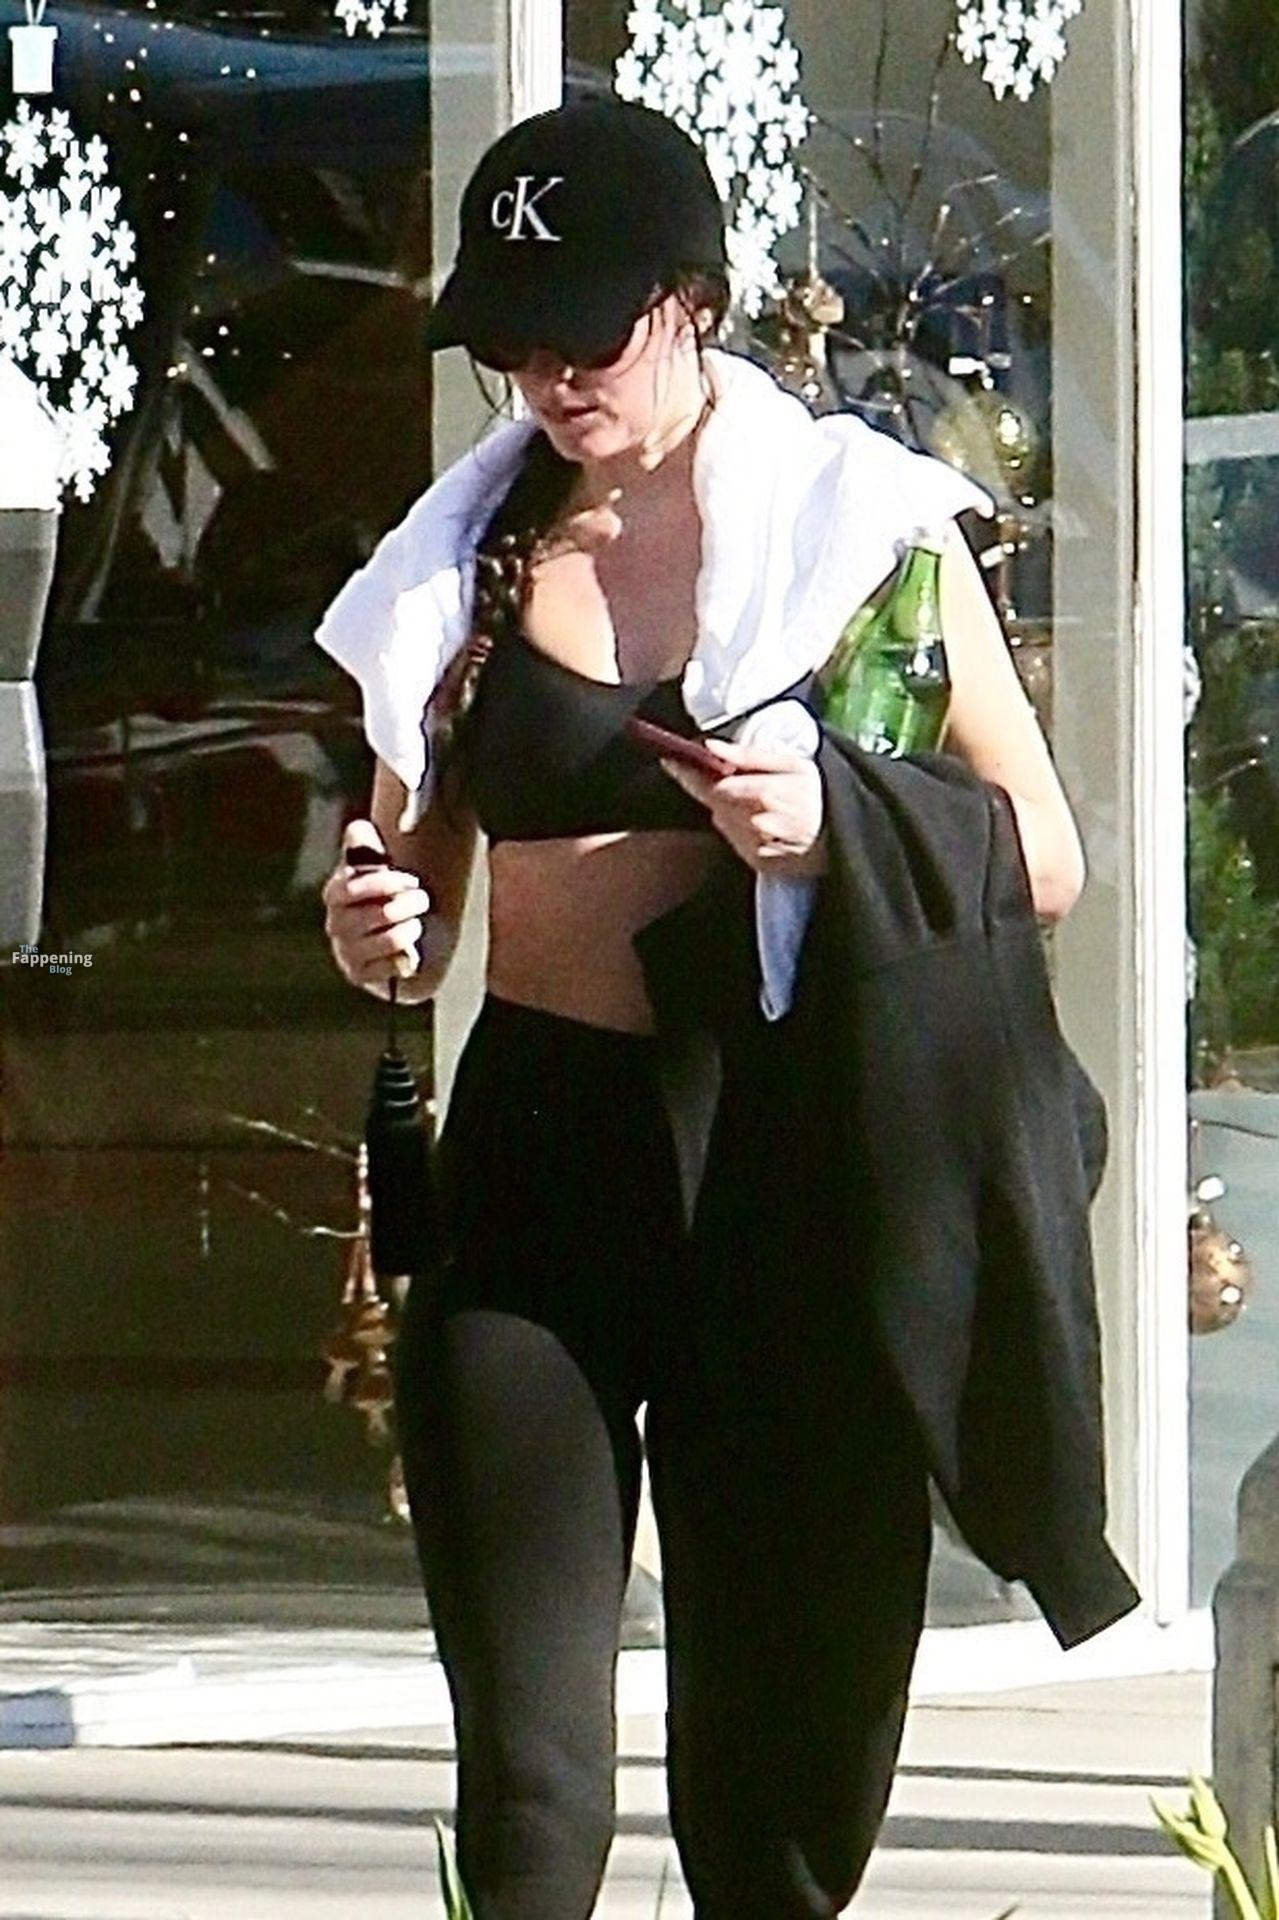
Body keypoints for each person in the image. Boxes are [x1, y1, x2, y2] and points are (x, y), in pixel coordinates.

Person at [317, 97, 1137, 1920]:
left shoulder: (865, 533)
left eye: (585, 338)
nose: (549, 381)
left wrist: (839, 825)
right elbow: (407, 892)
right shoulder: (462, 566)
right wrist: (375, 922)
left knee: (779, 1792)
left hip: (786, 1166)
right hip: (541, 1161)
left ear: (691, 304)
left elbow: (1047, 853)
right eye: (512, 347)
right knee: (532, 1789)